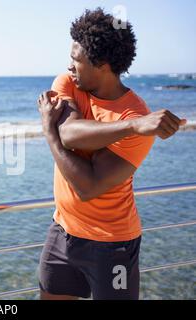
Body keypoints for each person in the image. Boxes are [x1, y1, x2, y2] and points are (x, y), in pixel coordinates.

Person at [37, 8, 186, 300]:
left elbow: (87, 186)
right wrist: (132, 127)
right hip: (62, 231)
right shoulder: (69, 84)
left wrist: (48, 131)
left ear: (102, 65)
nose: (69, 66)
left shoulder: (136, 112)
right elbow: (67, 133)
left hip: (112, 245)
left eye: (76, 61)